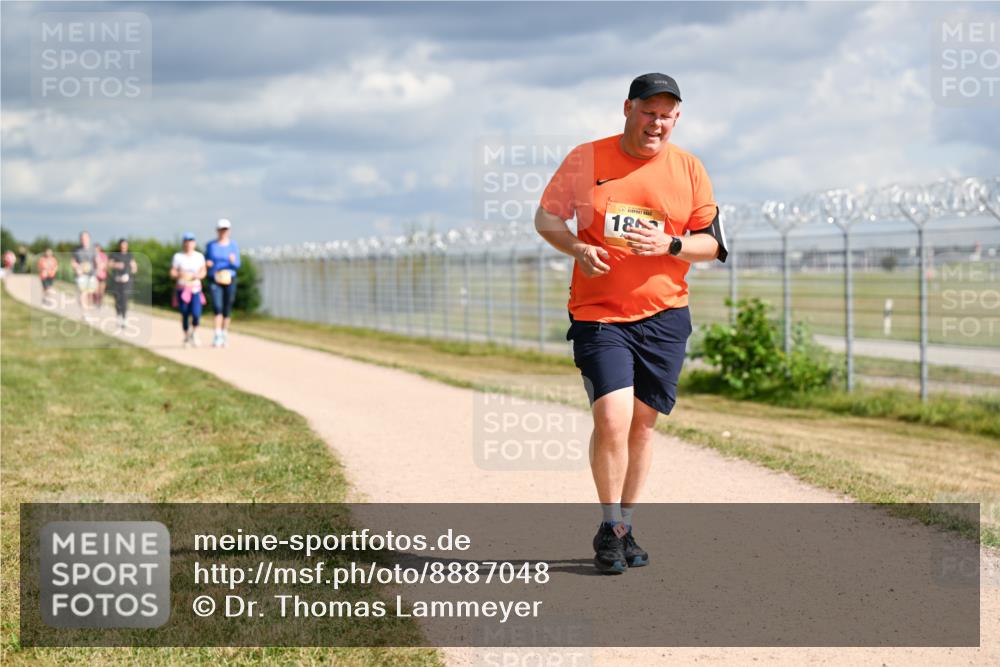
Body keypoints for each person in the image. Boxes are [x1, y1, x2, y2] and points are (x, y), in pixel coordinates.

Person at [534, 73, 728, 574]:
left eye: (666, 114)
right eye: (648, 111)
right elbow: (547, 219)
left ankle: (623, 525)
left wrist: (673, 245)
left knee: (642, 428)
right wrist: (577, 247)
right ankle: (609, 523)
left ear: (677, 118)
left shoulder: (689, 169)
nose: (656, 123)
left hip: (665, 316)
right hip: (600, 315)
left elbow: (714, 245)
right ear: (628, 109)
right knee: (612, 420)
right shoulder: (587, 159)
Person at [204, 218, 241, 347]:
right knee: (217, 306)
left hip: (230, 278)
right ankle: (217, 334)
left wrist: (232, 261)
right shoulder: (211, 245)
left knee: (227, 307)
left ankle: (225, 333)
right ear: (217, 230)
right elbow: (206, 261)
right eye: (221, 229)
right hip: (215, 278)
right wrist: (208, 264)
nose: (223, 232)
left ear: (229, 231)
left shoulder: (233, 245)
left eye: (225, 229)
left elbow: (237, 265)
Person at [170, 232, 207, 347]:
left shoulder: (199, 256)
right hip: (182, 288)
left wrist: (198, 276)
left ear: (194, 243)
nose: (189, 244)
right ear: (183, 243)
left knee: (196, 313)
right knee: (184, 314)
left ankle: (194, 333)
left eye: (191, 241)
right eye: (187, 241)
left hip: (195, 289)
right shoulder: (178, 256)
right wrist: (179, 274)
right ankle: (186, 336)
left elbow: (203, 271)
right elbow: (172, 272)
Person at [108, 239, 139, 332]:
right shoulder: (114, 255)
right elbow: (108, 265)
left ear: (127, 246)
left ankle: (124, 319)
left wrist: (132, 270)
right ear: (119, 246)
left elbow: (134, 267)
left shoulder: (130, 255)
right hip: (116, 281)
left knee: (124, 300)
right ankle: (118, 316)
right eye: (122, 245)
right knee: (117, 300)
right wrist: (115, 265)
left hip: (127, 281)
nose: (123, 247)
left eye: (125, 245)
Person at [71, 231, 98, 317]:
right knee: (83, 292)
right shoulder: (77, 250)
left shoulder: (93, 249)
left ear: (89, 238)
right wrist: (77, 268)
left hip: (91, 274)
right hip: (81, 275)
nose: (84, 240)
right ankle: (84, 313)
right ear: (80, 239)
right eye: (82, 238)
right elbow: (73, 262)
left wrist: (97, 271)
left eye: (85, 238)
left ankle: (87, 311)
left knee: (90, 293)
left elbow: (97, 261)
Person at [94, 243, 109, 308]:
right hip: (96, 276)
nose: (96, 250)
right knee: (96, 291)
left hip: (103, 276)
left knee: (101, 292)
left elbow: (106, 265)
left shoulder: (104, 255)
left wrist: (103, 266)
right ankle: (95, 302)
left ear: (100, 248)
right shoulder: (93, 256)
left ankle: (100, 303)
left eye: (97, 248)